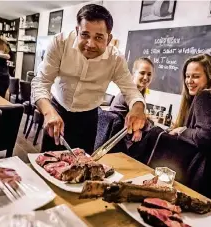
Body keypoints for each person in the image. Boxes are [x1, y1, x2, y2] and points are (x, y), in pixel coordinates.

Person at [31, 4, 146, 155]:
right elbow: (41, 82)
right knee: (48, 164)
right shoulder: (60, 43)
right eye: (85, 35)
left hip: (88, 118)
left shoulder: (116, 59)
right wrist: (48, 112)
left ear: (109, 38)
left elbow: (131, 90)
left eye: (98, 37)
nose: (90, 44)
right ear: (77, 30)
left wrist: (138, 108)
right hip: (57, 111)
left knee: (82, 169)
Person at [128, 53, 211, 197]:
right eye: (187, 76)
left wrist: (182, 130)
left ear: (209, 77)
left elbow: (207, 137)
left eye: (195, 76)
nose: (189, 81)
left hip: (199, 176)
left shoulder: (205, 96)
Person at [110, 57, 155, 142]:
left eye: (149, 74)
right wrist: (140, 128)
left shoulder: (141, 94)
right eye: (142, 73)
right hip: (116, 140)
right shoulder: (129, 97)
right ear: (133, 73)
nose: (145, 77)